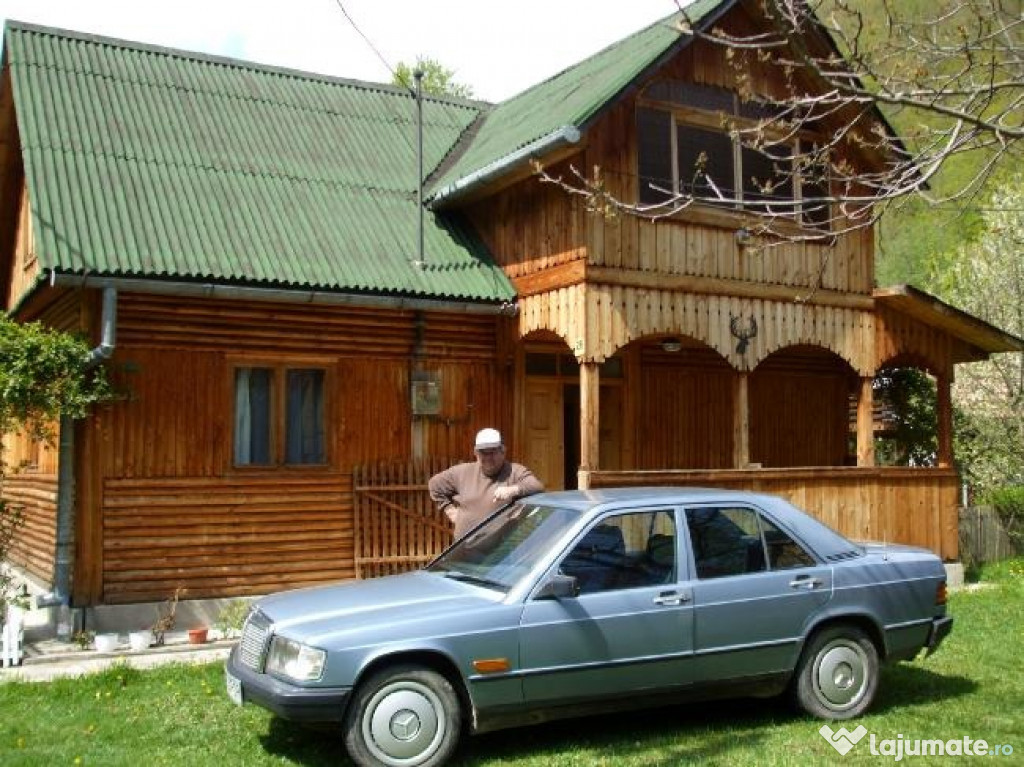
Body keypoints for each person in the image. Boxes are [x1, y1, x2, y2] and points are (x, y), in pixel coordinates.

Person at [428, 428, 544, 539]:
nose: (488, 457)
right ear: (476, 453)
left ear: (503, 451)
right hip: (465, 549)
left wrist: (513, 490)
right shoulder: (462, 472)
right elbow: (434, 484)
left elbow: (536, 485)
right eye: (483, 453)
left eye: (493, 452)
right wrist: (449, 510)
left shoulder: (514, 471)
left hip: (501, 550)